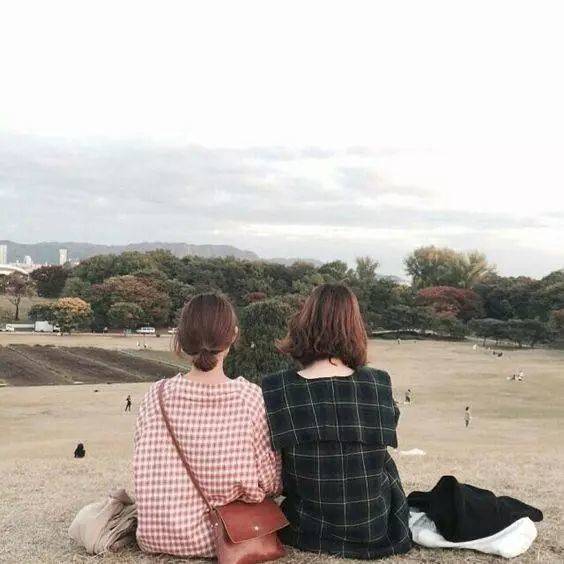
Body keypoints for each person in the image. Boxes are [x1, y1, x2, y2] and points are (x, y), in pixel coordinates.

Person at [262, 284, 411, 559]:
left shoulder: (277, 388)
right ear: (354, 328)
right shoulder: (378, 383)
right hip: (373, 528)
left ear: (304, 323)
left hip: (306, 529)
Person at [133, 293, 281, 558]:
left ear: (181, 339)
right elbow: (269, 482)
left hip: (156, 535)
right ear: (233, 336)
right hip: (225, 537)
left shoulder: (156, 395)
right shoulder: (249, 397)